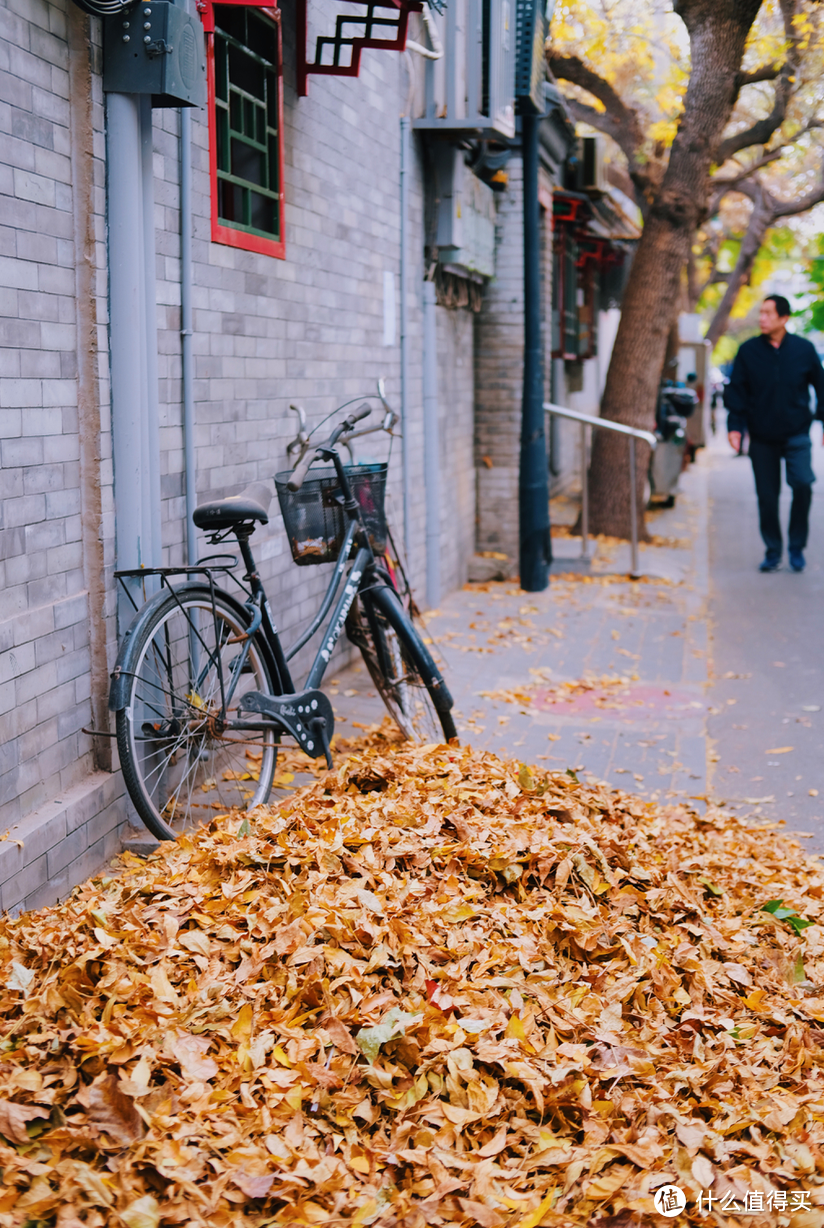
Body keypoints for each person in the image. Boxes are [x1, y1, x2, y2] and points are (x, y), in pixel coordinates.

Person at [725, 294, 824, 573]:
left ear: (784, 318)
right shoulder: (748, 351)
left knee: (803, 485)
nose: (762, 318)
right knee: (767, 497)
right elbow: (737, 393)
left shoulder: (804, 350)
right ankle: (773, 551)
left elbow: (821, 386)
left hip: (797, 434)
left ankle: (796, 548)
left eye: (768, 313)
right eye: (761, 313)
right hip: (762, 437)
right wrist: (735, 427)